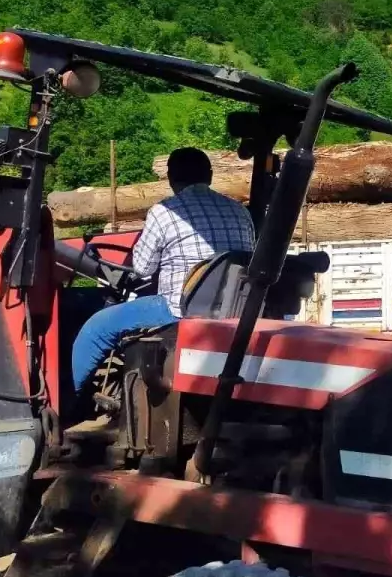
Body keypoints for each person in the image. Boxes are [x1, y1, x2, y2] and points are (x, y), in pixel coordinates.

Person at [70, 147, 256, 395]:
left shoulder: (164, 212)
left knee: (98, 327)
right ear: (210, 176)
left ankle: (72, 400)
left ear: (170, 178)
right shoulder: (241, 212)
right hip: (232, 310)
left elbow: (142, 268)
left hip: (178, 309)